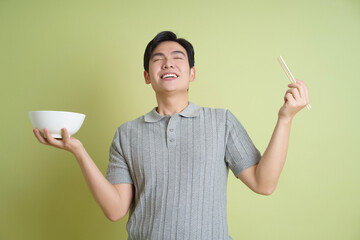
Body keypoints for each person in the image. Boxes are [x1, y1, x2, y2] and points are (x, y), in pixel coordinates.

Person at [33, 31, 310, 239]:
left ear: (192, 74)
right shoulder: (126, 134)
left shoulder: (221, 121)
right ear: (147, 76)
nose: (167, 64)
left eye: (177, 58)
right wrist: (79, 151)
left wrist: (285, 118)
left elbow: (264, 183)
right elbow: (115, 210)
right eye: (158, 59)